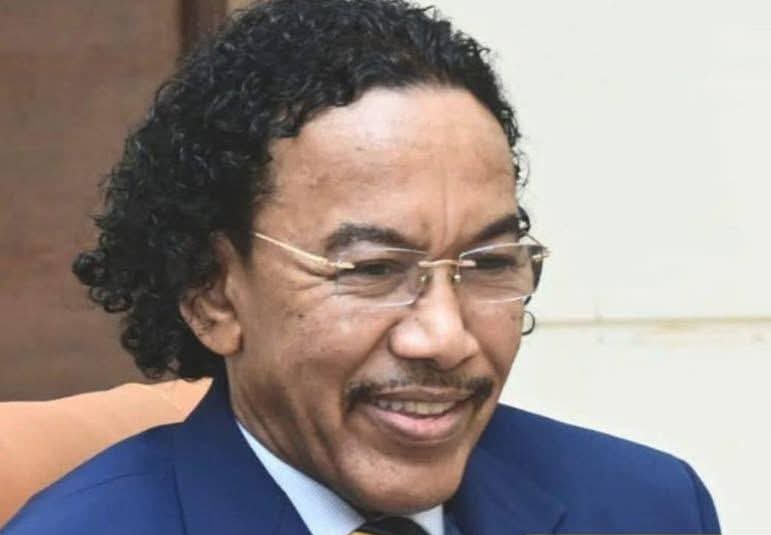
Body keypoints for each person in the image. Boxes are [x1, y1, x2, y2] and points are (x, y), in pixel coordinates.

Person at [1, 0, 720, 534]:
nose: (445, 336)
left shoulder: (643, 506)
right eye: (374, 270)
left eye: (486, 262)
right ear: (212, 293)